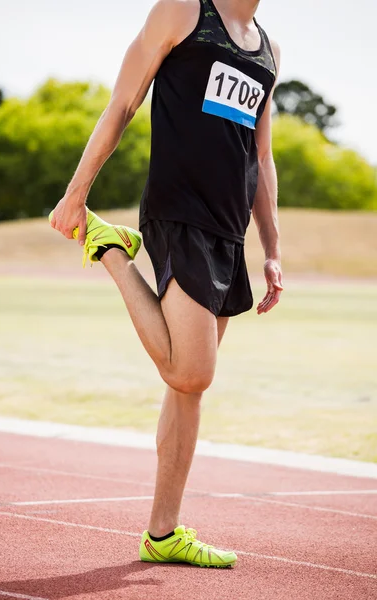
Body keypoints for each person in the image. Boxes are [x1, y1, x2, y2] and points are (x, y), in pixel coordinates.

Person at [49, 0, 283, 568]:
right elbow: (122, 104)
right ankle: (109, 249)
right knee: (192, 370)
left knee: (187, 390)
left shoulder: (269, 49)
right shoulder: (182, 10)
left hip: (229, 228)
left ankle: (162, 534)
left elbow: (261, 154)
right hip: (179, 211)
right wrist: (78, 191)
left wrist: (273, 249)